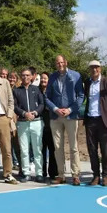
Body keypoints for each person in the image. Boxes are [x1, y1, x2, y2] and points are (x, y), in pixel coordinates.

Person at [44, 55, 84, 186]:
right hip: (56, 117)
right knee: (57, 147)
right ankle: (61, 174)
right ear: (55, 64)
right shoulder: (52, 77)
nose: (60, 64)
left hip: (71, 116)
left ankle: (75, 174)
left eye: (62, 62)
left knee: (73, 147)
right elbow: (47, 97)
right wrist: (55, 109)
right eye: (57, 63)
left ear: (66, 62)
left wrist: (70, 110)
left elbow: (81, 96)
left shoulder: (75, 75)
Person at [83, 60, 107, 187]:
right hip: (90, 119)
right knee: (92, 149)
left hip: (103, 120)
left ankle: (106, 176)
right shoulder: (87, 82)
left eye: (96, 67)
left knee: (105, 149)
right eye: (92, 68)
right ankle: (96, 175)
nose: (94, 70)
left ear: (100, 69)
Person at [13, 68, 45, 183]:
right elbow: (15, 106)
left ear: (32, 77)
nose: (25, 77)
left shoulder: (36, 90)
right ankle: (26, 173)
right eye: (23, 75)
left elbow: (42, 104)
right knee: (24, 150)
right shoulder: (16, 91)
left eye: (27, 75)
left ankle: (39, 173)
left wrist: (35, 113)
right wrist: (24, 113)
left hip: (36, 122)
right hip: (22, 123)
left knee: (37, 150)